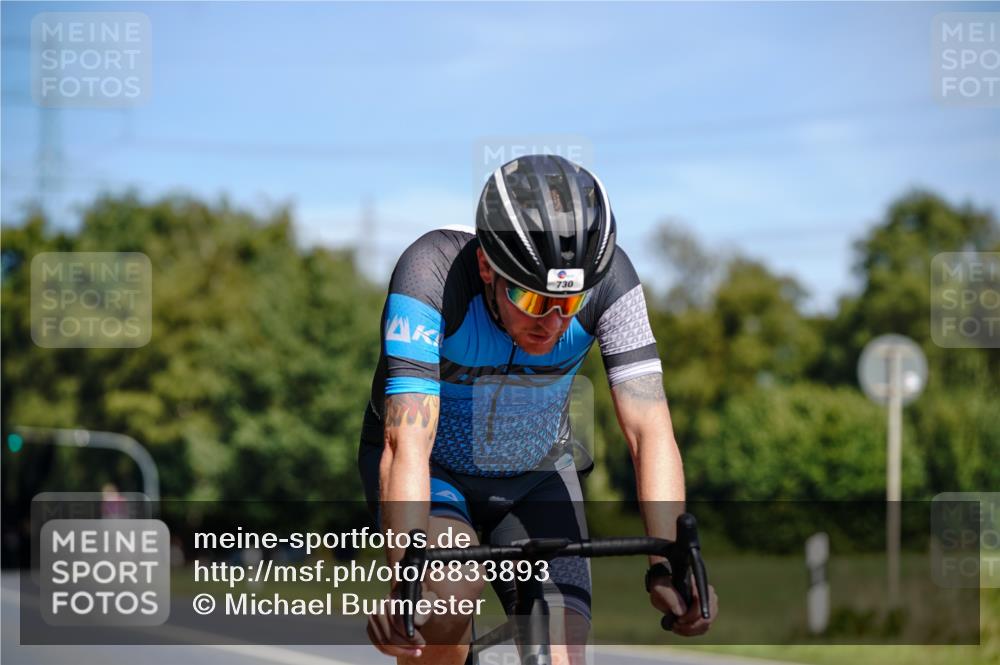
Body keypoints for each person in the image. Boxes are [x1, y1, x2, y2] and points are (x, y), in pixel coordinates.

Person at [358, 154, 717, 665]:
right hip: (434, 472)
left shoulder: (612, 281)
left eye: (567, 304)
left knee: (562, 648)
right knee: (444, 604)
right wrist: (406, 584)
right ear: (486, 265)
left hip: (536, 472)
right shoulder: (430, 273)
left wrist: (669, 564)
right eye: (529, 298)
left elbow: (649, 430)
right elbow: (406, 445)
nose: (550, 323)